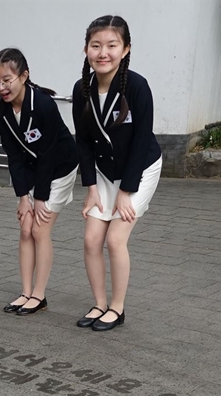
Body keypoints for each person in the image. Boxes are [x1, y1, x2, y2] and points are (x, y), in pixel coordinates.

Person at [72, 15, 162, 331]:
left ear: (125, 50)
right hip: (104, 173)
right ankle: (98, 304)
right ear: (86, 49)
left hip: (140, 170)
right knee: (91, 238)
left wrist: (126, 190)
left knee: (114, 239)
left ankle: (117, 308)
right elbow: (82, 142)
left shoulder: (137, 87)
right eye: (96, 45)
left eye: (112, 45)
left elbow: (141, 141)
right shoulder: (81, 88)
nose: (103, 53)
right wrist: (91, 187)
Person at [0, 48, 79, 315]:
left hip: (60, 168)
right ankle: (25, 291)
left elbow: (49, 154)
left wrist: (39, 197)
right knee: (25, 228)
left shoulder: (42, 104)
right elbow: (14, 156)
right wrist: (22, 197)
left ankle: (39, 295)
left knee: (40, 230)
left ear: (24, 75)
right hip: (32, 170)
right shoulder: (1, 109)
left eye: (7, 80)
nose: (2, 87)